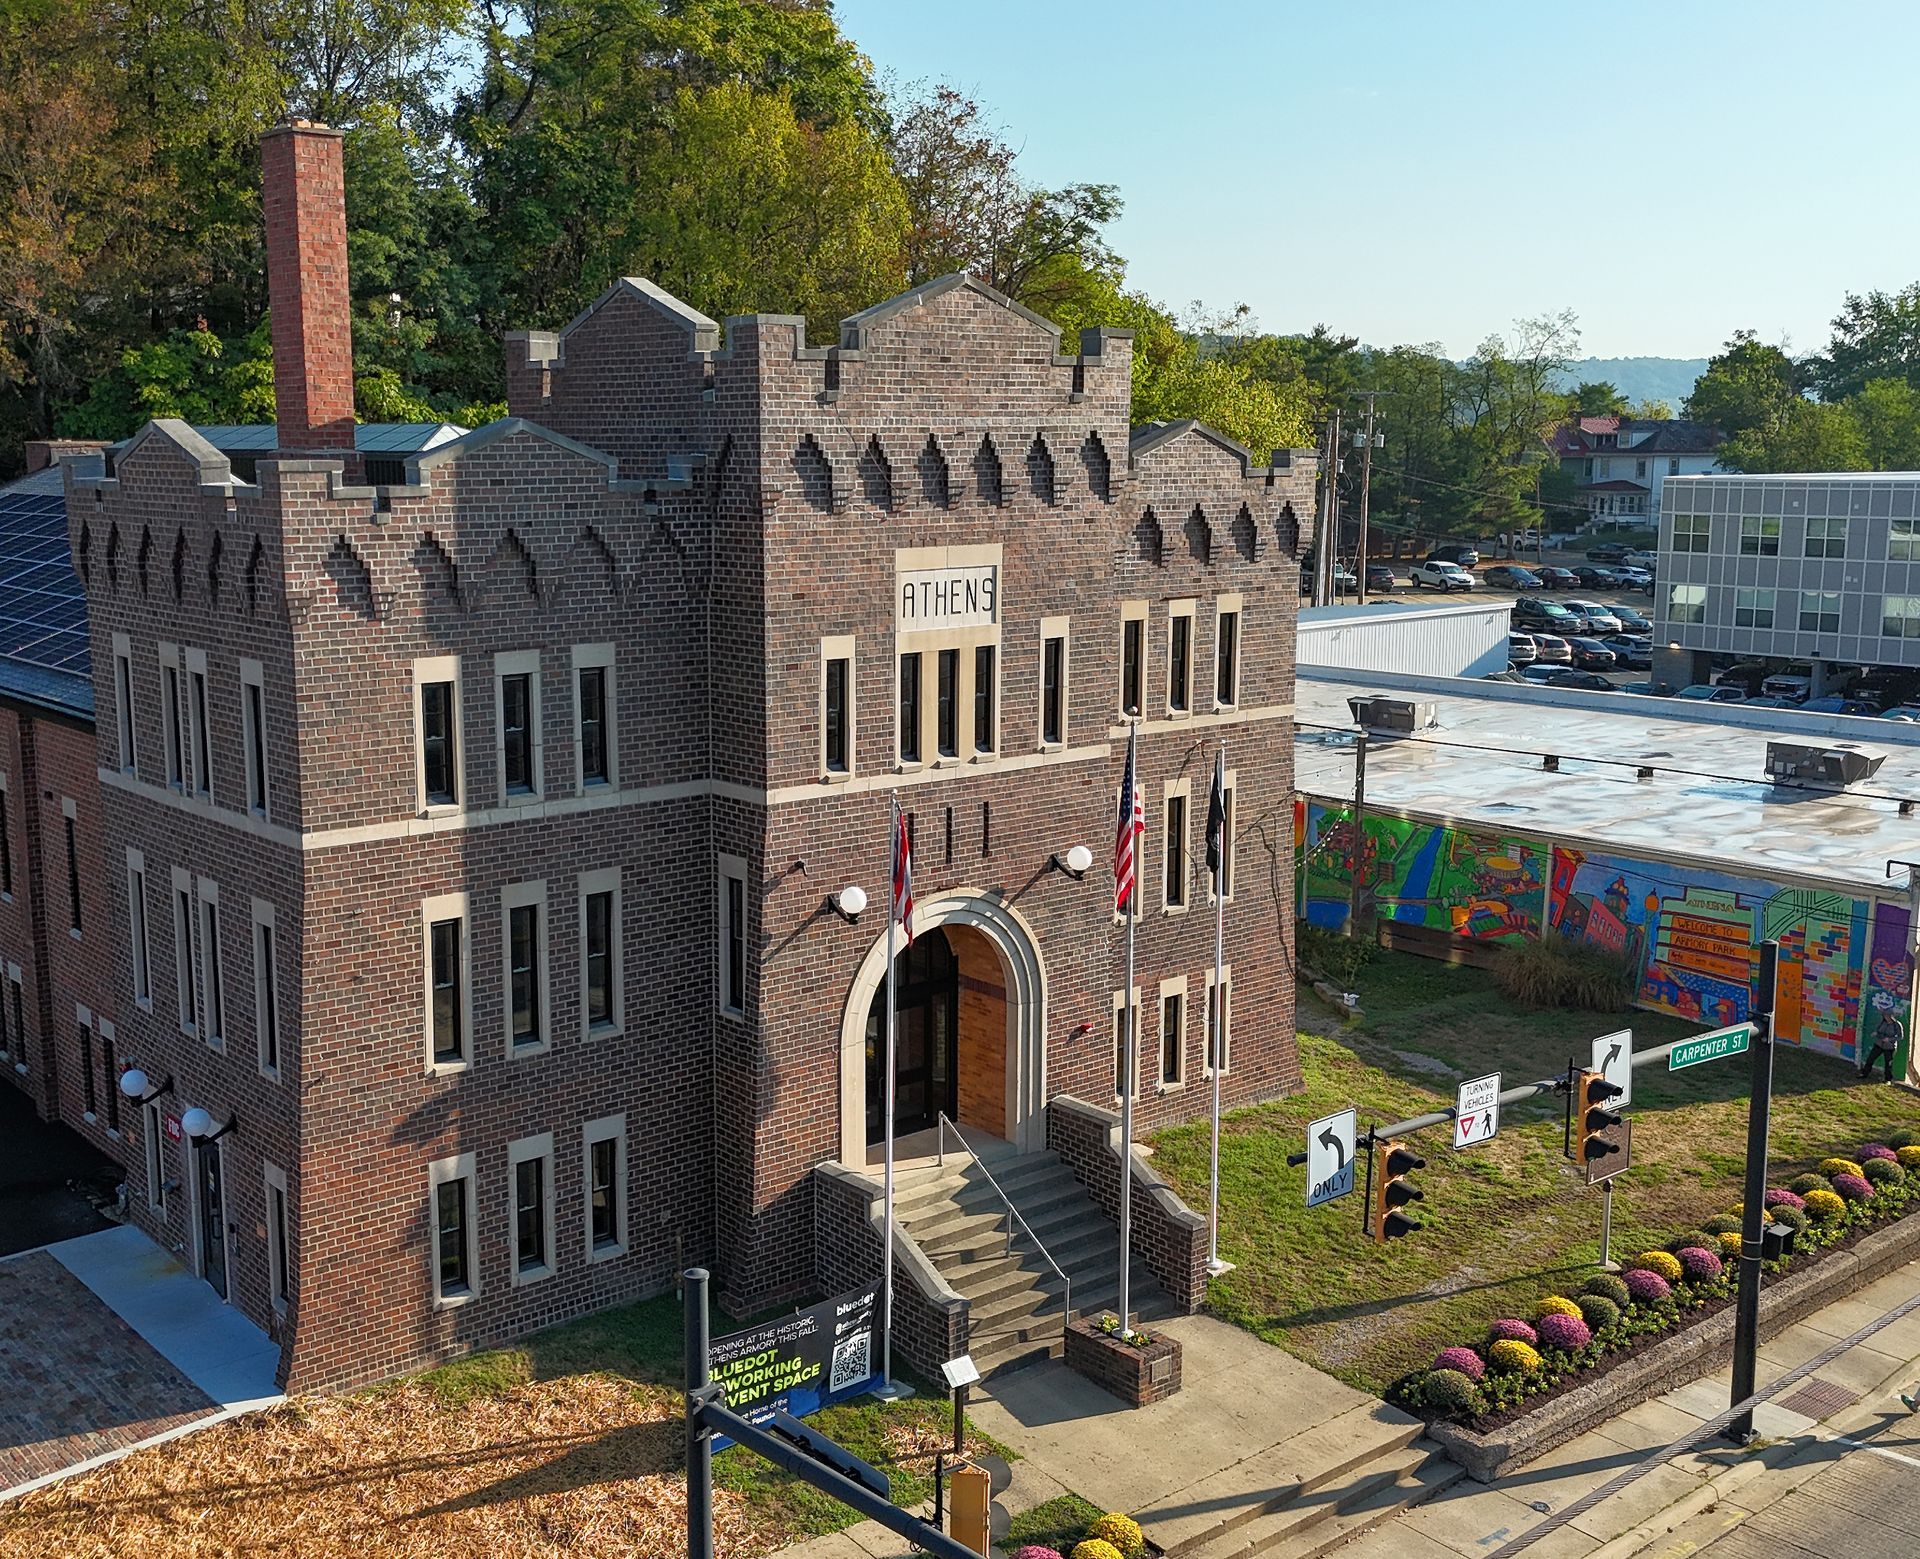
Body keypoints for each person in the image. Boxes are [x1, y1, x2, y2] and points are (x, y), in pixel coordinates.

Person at [1859, 1008, 1903, 1084]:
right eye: (1884, 1015)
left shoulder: (1897, 1025)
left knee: (1888, 1063)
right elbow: (1879, 1030)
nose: (1885, 1017)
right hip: (1879, 1044)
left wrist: (1889, 1039)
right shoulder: (1883, 1022)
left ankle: (1888, 1079)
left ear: (1891, 1016)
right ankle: (1864, 1073)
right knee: (1870, 1058)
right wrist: (1876, 1033)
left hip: (1889, 1047)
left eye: (1887, 1015)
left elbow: (1900, 1037)